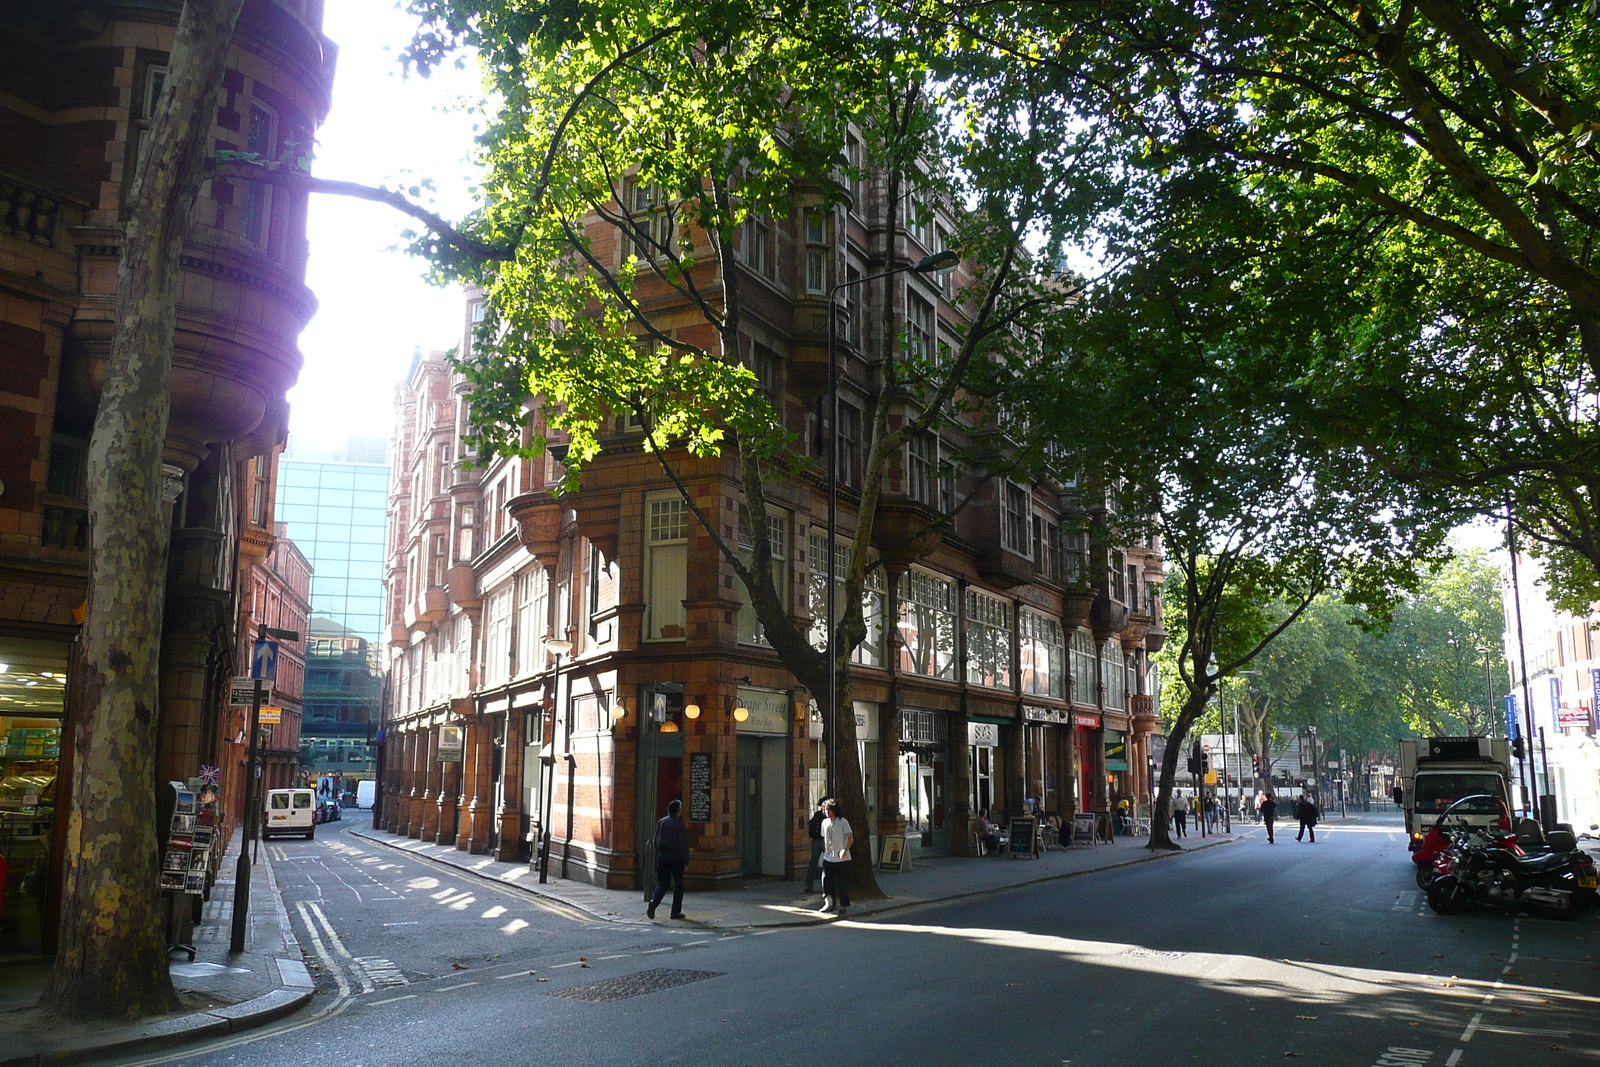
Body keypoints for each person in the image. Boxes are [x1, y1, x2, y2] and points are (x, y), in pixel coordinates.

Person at [647, 798, 690, 919]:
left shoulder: (661, 822)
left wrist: (658, 855)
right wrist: (686, 861)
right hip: (676, 857)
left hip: (663, 856)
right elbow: (683, 844)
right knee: (679, 884)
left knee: (662, 883)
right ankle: (675, 912)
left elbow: (656, 840)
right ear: (678, 811)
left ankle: (654, 902)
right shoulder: (679, 824)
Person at [819, 800, 854, 914]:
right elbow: (825, 838)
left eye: (828, 810)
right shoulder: (824, 823)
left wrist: (845, 849)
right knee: (826, 880)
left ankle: (843, 904)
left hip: (842, 858)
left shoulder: (843, 822)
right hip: (828, 857)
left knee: (842, 882)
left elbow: (850, 838)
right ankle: (829, 902)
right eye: (824, 810)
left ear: (833, 810)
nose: (826, 812)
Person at [803, 798, 829, 893]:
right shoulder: (827, 815)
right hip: (824, 840)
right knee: (828, 862)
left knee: (813, 863)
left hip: (815, 840)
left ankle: (808, 885)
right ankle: (827, 886)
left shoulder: (817, 814)